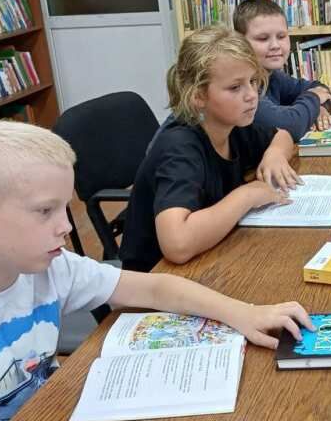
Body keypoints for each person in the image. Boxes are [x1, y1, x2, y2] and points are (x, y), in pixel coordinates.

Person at [0, 121, 313, 421]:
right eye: (45, 211)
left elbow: (156, 290)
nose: (66, 226)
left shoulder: (47, 268)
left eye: (65, 208)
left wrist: (244, 312)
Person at [121, 27, 301, 272]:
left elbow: (282, 135)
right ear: (198, 96)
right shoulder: (180, 147)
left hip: (210, 254)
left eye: (253, 81)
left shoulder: (231, 124)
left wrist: (275, 154)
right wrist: (247, 195)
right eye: (235, 87)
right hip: (154, 277)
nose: (251, 95)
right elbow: (177, 244)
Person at [233, 0, 331, 137]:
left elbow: (320, 88)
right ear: (239, 42)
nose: (275, 45)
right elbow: (289, 126)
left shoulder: (272, 75)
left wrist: (317, 108)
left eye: (281, 36)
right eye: (263, 38)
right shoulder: (240, 85)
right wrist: (314, 100)